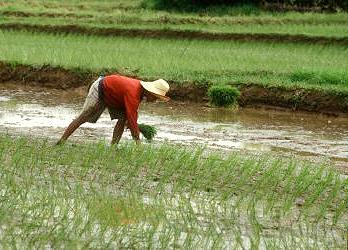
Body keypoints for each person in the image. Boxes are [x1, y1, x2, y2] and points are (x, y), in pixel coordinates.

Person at [56, 74, 170, 145]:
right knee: (84, 117)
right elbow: (132, 118)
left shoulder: (139, 93)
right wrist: (138, 144)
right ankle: (61, 141)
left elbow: (131, 117)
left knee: (123, 118)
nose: (155, 100)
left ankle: (113, 147)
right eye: (155, 97)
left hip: (115, 96)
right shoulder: (134, 92)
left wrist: (132, 124)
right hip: (100, 89)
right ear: (150, 92)